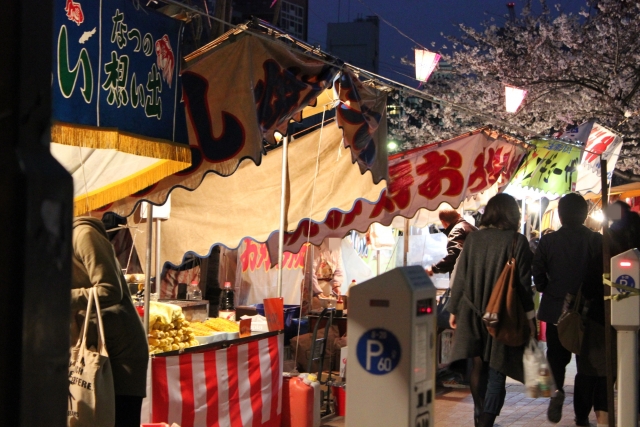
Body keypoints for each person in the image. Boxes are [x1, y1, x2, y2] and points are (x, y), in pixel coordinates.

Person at [448, 193, 536, 427]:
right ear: (512, 215)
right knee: (498, 368)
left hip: (473, 312)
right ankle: (486, 420)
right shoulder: (517, 241)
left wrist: (454, 310)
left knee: (479, 366)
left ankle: (479, 416)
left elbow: (461, 277)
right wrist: (530, 317)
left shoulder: (475, 240)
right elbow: (524, 286)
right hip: (503, 316)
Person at [532, 193, 606, 426]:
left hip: (556, 308)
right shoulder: (596, 240)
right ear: (584, 214)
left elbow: (538, 273)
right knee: (585, 365)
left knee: (555, 356)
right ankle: (581, 416)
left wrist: (547, 288)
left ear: (561, 215)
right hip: (588, 311)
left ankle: (556, 392)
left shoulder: (548, 241)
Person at [71, 217, 149, 427]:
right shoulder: (52, 242)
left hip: (119, 351)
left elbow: (110, 289)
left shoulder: (83, 235)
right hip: (94, 345)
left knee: (119, 418)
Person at [426, 209, 477, 276]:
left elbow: (455, 256)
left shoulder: (456, 231)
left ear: (443, 222)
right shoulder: (474, 229)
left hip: (466, 278)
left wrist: (433, 269)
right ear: (459, 215)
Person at [310, 238, 345, 309]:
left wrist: (336, 285)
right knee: (315, 314)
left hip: (327, 289)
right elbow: (310, 273)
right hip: (313, 288)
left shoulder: (336, 246)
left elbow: (338, 269)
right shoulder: (315, 246)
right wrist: (318, 292)